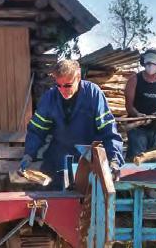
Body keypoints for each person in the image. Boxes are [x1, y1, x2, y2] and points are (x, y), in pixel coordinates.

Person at [20, 59, 124, 190]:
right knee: (51, 202)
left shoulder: (93, 94)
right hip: (57, 160)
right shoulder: (50, 98)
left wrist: (114, 159)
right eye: (59, 85)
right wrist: (29, 154)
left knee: (86, 204)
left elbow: (108, 130)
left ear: (78, 77)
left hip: (87, 162)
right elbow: (37, 130)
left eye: (68, 85)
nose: (63, 90)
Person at [124, 48, 156, 160]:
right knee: (138, 158)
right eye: (148, 63)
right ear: (143, 63)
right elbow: (129, 106)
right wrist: (137, 115)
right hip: (137, 128)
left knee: (154, 159)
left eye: (153, 63)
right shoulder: (134, 80)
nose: (150, 66)